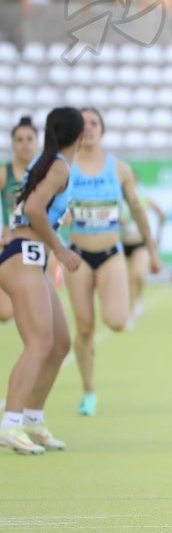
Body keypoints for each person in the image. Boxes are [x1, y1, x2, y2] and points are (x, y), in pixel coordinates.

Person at [65, 108, 162, 416]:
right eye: (82, 124)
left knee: (117, 321)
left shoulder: (118, 168)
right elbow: (51, 208)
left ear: (102, 130)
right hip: (77, 255)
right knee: (84, 328)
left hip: (110, 254)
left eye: (94, 123)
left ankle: (123, 313)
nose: (88, 128)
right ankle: (89, 390)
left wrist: (152, 250)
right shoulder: (65, 168)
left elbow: (137, 209)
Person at [0, 107, 84, 454]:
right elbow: (34, 208)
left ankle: (33, 419)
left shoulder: (47, 161)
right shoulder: (59, 165)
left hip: (31, 257)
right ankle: (11, 422)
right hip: (23, 255)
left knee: (60, 343)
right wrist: (61, 249)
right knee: (38, 343)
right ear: (79, 136)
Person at [0, 116, 40, 322]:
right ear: (13, 144)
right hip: (9, 246)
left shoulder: (48, 173)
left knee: (40, 313)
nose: (25, 144)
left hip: (39, 248)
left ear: (37, 142)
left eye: (29, 139)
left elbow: (65, 215)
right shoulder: (4, 174)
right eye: (19, 139)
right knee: (4, 313)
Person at [120, 171, 166, 328]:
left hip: (140, 243)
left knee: (138, 275)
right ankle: (130, 312)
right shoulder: (117, 201)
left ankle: (137, 301)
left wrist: (158, 236)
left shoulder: (143, 200)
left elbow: (161, 214)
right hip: (122, 243)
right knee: (127, 280)